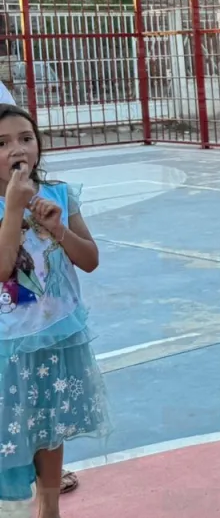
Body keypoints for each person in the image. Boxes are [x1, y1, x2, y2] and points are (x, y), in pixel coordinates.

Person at [0, 104, 109, 517]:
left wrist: (57, 228)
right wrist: (13, 210)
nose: (17, 149)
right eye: (3, 143)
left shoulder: (60, 194)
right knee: (11, 434)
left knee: (49, 429)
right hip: (7, 345)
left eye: (26, 139)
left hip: (58, 337)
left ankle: (49, 508)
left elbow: (90, 259)